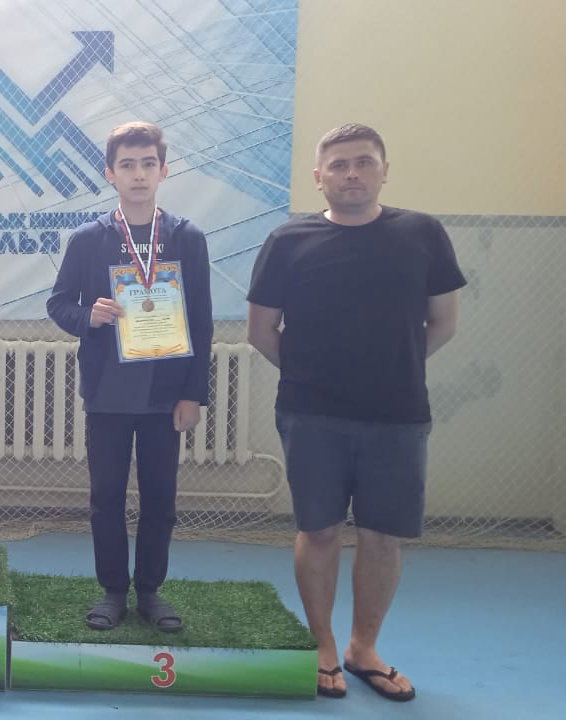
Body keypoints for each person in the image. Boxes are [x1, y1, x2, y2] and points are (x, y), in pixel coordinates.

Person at [246, 123, 464, 701]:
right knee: (317, 530)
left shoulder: (422, 233)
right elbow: (262, 331)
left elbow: (443, 321)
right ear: (318, 177)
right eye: (339, 165)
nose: (351, 174)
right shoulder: (287, 240)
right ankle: (323, 648)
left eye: (364, 162)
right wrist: (310, 375)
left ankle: (363, 649)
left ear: (384, 170)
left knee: (382, 537)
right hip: (310, 413)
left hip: (397, 414)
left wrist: (393, 367)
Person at [47, 121, 212, 632]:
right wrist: (88, 316)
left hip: (166, 393)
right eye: (127, 165)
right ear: (110, 173)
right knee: (107, 498)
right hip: (108, 392)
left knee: (161, 498)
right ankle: (113, 591)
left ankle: (151, 591)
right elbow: (58, 304)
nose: (138, 174)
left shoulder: (187, 238)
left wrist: (193, 394)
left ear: (163, 170)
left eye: (147, 164)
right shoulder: (88, 239)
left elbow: (202, 321)